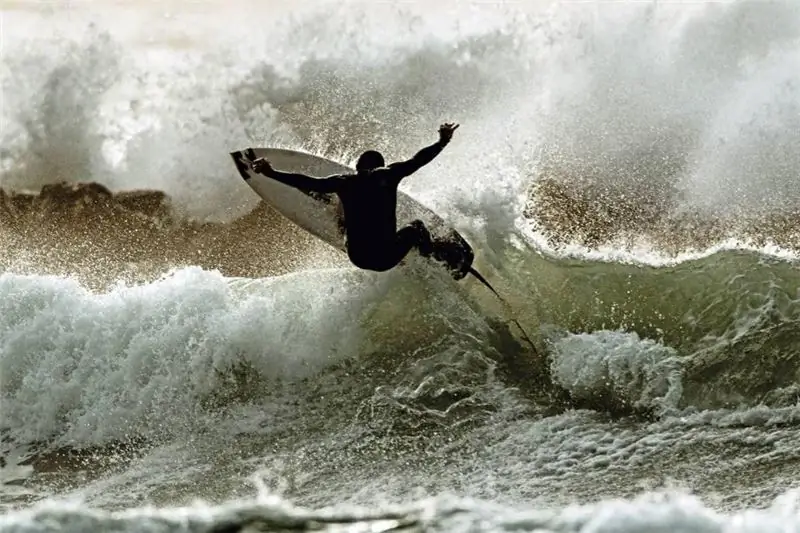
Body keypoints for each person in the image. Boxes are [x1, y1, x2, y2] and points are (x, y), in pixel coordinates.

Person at [250, 122, 459, 273]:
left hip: (357, 257)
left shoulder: (344, 181)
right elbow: (418, 160)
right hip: (385, 258)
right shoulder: (389, 175)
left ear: (357, 167)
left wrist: (271, 173)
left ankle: (341, 222)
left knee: (344, 213)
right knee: (417, 228)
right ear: (381, 166)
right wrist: (442, 141)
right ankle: (431, 259)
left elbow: (306, 182)